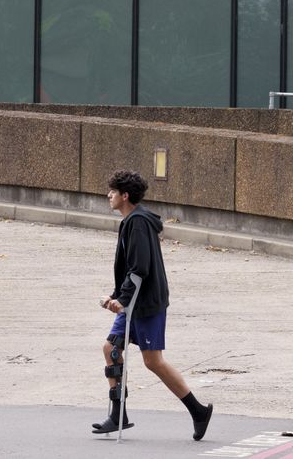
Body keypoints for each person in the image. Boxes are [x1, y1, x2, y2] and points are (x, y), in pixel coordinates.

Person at [92, 169, 213, 441]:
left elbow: (139, 268)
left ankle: (198, 411)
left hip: (145, 304)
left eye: (113, 191)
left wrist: (122, 300)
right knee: (111, 348)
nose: (108, 195)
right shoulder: (131, 221)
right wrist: (116, 296)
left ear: (125, 196)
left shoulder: (138, 223)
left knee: (153, 361)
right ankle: (118, 413)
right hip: (133, 302)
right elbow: (128, 269)